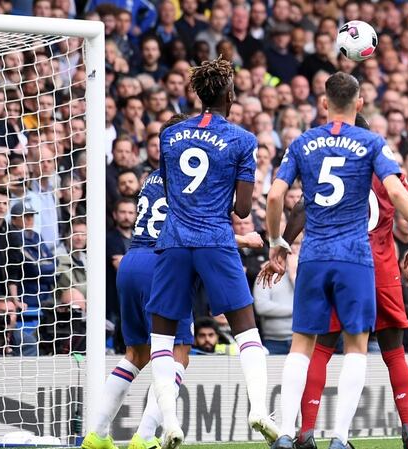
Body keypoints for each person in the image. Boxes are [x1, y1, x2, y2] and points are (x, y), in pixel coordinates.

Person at [263, 72, 408, 449]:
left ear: (323, 103)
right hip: (361, 259)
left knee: (305, 346)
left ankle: (292, 433)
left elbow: (278, 198)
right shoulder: (373, 145)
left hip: (314, 256)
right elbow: (399, 192)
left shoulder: (303, 143)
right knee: (365, 347)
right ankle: (342, 437)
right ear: (359, 104)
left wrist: (278, 243)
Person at [83, 114, 267, 449]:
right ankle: (145, 437)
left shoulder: (154, 176)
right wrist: (244, 240)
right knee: (177, 353)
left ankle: (96, 434)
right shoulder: (196, 178)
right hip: (163, 262)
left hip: (131, 260)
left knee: (135, 355)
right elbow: (193, 227)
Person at [145, 58, 277, 449]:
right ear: (230, 95)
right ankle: (258, 409)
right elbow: (241, 209)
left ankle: (169, 423)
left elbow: (170, 191)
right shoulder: (241, 139)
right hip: (216, 241)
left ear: (198, 94)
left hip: (172, 241)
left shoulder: (170, 136)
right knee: (247, 331)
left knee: (162, 339)